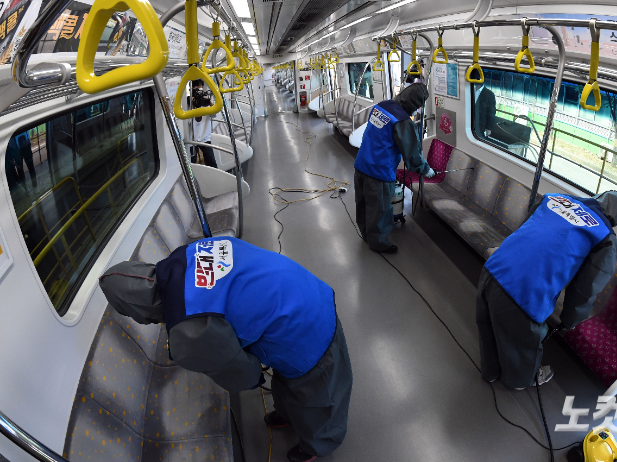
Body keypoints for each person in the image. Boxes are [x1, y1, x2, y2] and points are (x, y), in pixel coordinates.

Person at [99, 236, 353, 462]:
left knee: (317, 390)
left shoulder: (188, 329)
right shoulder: (189, 252)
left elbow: (238, 370)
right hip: (297, 287)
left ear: (139, 313)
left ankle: (319, 443)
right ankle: (287, 413)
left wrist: (254, 377)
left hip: (304, 324)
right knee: (289, 378)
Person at [476, 191, 617, 389]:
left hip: (494, 267)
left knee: (487, 326)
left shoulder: (554, 198)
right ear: (614, 219)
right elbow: (585, 288)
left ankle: (490, 372)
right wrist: (570, 320)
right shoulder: (605, 237)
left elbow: (525, 231)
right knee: (523, 342)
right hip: (526, 290)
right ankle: (521, 380)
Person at [353, 83, 436, 254]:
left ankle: (365, 234)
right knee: (380, 210)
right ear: (414, 104)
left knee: (362, 204)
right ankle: (378, 243)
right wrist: (425, 169)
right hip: (379, 172)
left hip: (361, 164)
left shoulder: (381, 106)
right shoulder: (402, 122)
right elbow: (412, 155)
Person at [190, 79, 218, 168]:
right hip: (191, 139)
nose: (199, 89)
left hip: (205, 137)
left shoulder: (206, 103)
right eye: (196, 87)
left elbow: (214, 114)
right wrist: (193, 103)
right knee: (192, 164)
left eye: (200, 87)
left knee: (212, 162)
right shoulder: (188, 103)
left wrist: (209, 102)